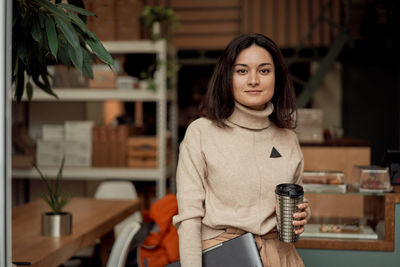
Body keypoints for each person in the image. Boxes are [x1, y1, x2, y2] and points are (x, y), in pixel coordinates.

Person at [172, 33, 310, 267]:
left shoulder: (288, 139)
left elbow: (297, 199)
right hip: (225, 256)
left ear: (277, 77)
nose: (253, 80)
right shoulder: (201, 133)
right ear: (227, 77)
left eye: (264, 71)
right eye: (242, 71)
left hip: (281, 257)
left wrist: (302, 216)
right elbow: (189, 219)